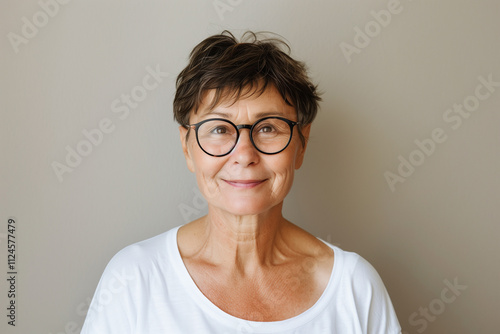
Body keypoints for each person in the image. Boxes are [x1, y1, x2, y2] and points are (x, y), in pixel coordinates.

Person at [81, 31, 401, 334]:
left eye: (268, 128)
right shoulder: (134, 279)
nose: (244, 154)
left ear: (301, 143)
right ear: (187, 147)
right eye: (220, 129)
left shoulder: (354, 288)